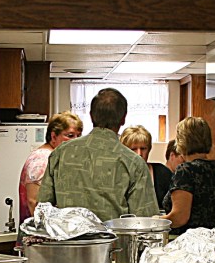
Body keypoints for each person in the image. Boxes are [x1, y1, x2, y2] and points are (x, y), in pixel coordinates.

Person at [38, 88, 158, 221]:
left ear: (91, 116)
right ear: (123, 119)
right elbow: (145, 221)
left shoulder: (60, 153)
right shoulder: (133, 163)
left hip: (66, 240)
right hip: (112, 241)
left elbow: (43, 208)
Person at [159, 117, 215, 234]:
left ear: (182, 141)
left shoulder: (185, 171)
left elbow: (179, 218)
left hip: (188, 245)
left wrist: (155, 221)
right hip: (213, 242)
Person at [17, 112, 83, 223]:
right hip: (37, 235)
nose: (75, 141)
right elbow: (33, 202)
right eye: (70, 136)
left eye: (78, 136)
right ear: (53, 136)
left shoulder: (54, 157)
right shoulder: (42, 160)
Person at [120, 124, 172, 210]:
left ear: (149, 149)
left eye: (143, 148)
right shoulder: (117, 174)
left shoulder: (163, 173)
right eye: (133, 149)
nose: (139, 153)